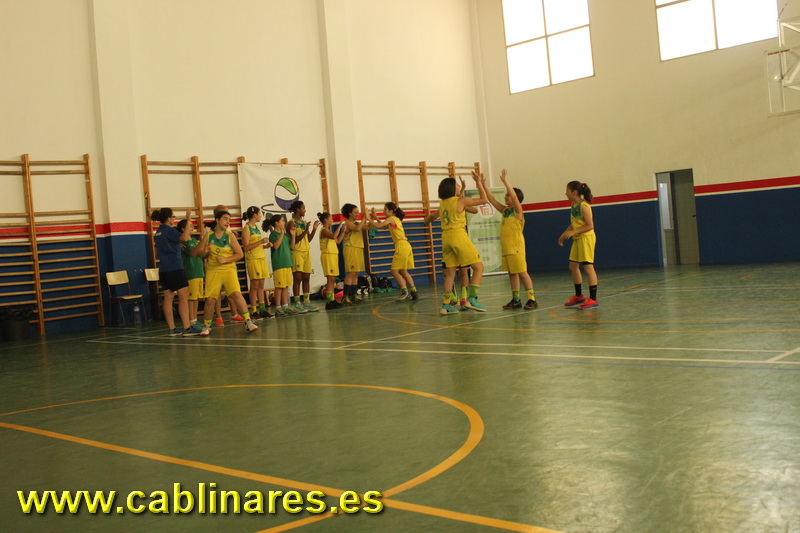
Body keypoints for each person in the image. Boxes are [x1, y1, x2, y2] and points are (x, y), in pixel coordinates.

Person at [424, 171, 488, 315]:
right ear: (453, 188)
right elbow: (484, 200)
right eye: (457, 185)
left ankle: (446, 305)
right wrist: (478, 182)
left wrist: (429, 218)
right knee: (478, 267)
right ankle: (472, 299)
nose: (459, 187)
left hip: (446, 238)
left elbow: (428, 219)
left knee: (450, 274)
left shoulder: (443, 204)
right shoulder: (461, 201)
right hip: (458, 235)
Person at [482, 170, 538, 310]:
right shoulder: (505, 211)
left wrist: (505, 181)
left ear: (515, 199)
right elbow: (492, 200)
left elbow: (513, 195)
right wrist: (483, 185)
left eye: (508, 195)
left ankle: (532, 299)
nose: (506, 197)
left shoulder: (518, 212)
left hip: (516, 248)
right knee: (512, 274)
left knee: (522, 273)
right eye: (506, 195)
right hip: (506, 248)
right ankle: (516, 300)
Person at [198, 211, 259, 336]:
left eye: (229, 219)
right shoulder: (208, 235)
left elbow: (240, 254)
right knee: (210, 299)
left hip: (228, 269)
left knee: (236, 294)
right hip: (213, 270)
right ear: (217, 220)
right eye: (225, 219)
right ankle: (207, 326)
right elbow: (200, 254)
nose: (228, 222)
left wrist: (226, 259)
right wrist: (205, 252)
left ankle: (248, 321)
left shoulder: (230, 235)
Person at [151, 208, 203, 336]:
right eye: (173, 217)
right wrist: (188, 218)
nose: (174, 219)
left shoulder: (158, 232)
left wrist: (175, 246)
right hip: (175, 267)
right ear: (168, 218)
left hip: (164, 269)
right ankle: (187, 327)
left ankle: (172, 328)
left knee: (168, 297)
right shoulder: (169, 230)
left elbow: (160, 249)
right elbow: (184, 237)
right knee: (183, 296)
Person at [558, 181, 598, 309]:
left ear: (574, 192)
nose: (565, 193)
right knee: (573, 266)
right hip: (578, 238)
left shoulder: (584, 207)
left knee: (588, 267)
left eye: (567, 191)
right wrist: (564, 234)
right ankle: (579, 296)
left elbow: (590, 225)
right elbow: (574, 223)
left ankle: (593, 299)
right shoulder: (573, 205)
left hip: (586, 239)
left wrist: (573, 232)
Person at [368, 203, 419, 301]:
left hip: (401, 246)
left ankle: (404, 291)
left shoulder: (391, 218)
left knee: (394, 271)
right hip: (406, 245)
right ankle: (414, 291)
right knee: (403, 271)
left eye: (385, 209)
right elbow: (384, 227)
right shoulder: (396, 219)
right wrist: (375, 216)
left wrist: (368, 218)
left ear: (391, 211)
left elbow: (378, 225)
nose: (384, 211)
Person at [210, 204, 245, 326]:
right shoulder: (209, 232)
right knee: (216, 294)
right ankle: (218, 316)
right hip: (215, 268)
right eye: (225, 216)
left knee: (233, 292)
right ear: (218, 217)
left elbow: (237, 251)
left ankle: (234, 314)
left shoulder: (228, 230)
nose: (228, 219)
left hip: (229, 265)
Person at [241, 206, 273, 319]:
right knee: (254, 285)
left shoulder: (257, 227)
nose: (260, 216)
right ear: (254, 215)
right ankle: (254, 310)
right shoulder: (246, 228)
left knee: (261, 285)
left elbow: (257, 245)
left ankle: (262, 309)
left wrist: (265, 246)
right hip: (253, 259)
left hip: (261, 257)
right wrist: (260, 242)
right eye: (259, 214)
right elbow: (246, 247)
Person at [288, 201, 320, 313]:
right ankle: (297, 303)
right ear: (298, 209)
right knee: (297, 279)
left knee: (306, 278)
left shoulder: (304, 222)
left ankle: (307, 302)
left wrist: (314, 229)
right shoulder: (291, 223)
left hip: (306, 252)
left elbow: (308, 239)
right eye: (303, 208)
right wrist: (306, 230)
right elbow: (295, 240)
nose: (305, 210)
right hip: (297, 252)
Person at [177, 217, 209, 325]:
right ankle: (191, 320)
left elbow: (201, 254)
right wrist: (203, 240)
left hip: (199, 271)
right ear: (183, 229)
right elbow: (192, 253)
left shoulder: (194, 241)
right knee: (191, 298)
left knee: (197, 298)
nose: (192, 227)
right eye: (190, 226)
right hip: (191, 272)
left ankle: (194, 319)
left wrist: (206, 250)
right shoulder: (183, 241)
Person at [340, 203, 372, 304]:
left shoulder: (357, 223)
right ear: (349, 213)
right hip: (351, 248)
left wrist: (371, 217)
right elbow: (357, 228)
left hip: (357, 248)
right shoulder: (348, 223)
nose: (357, 214)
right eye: (355, 212)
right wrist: (364, 217)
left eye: (358, 212)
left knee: (356, 273)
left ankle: (354, 295)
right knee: (351, 273)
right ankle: (345, 296)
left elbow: (368, 227)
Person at [265, 214, 295, 317]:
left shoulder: (286, 235)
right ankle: (278, 307)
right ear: (276, 223)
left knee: (286, 286)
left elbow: (292, 247)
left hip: (287, 262)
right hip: (279, 264)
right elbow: (276, 246)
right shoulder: (273, 235)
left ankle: (285, 306)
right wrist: (281, 234)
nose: (284, 222)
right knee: (279, 287)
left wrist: (293, 235)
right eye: (282, 221)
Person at [317, 212, 345, 310]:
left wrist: (343, 232)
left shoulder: (329, 231)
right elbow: (333, 236)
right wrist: (339, 226)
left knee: (333, 279)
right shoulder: (324, 231)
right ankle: (329, 302)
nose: (332, 220)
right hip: (327, 255)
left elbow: (338, 241)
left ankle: (332, 300)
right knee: (330, 279)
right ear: (326, 220)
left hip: (333, 255)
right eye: (331, 218)